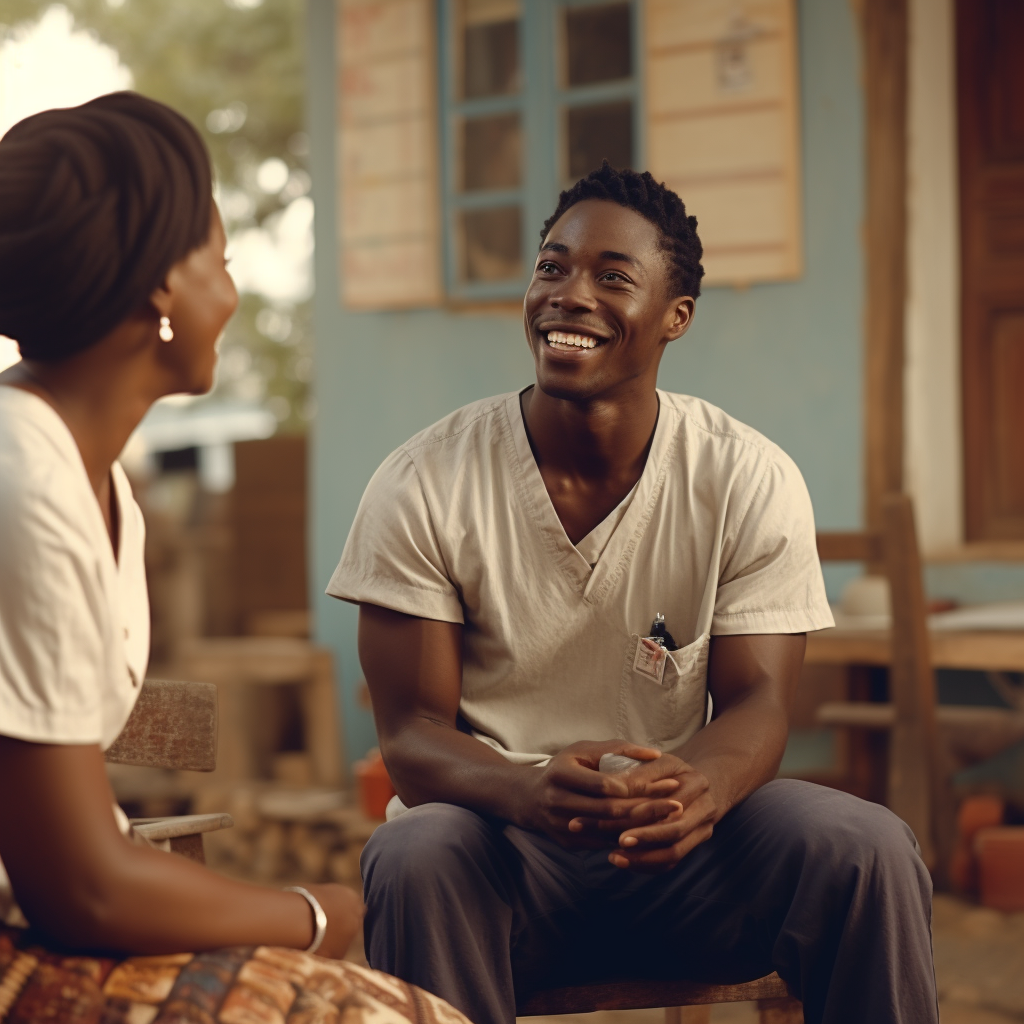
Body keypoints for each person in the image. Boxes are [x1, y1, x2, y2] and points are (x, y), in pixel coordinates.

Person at [327, 164, 939, 1024]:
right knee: (415, 851)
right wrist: (524, 792)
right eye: (552, 267)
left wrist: (701, 791)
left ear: (675, 316)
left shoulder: (745, 478)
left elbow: (760, 702)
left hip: (692, 860)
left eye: (612, 277)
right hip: (504, 863)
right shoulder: (424, 481)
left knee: (863, 846)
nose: (569, 295)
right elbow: (412, 737)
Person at [0, 93, 468, 1024]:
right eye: (220, 259)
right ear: (159, 289)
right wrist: (309, 913)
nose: (235, 290)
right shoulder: (28, 488)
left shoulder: (87, 480)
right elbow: (79, 889)